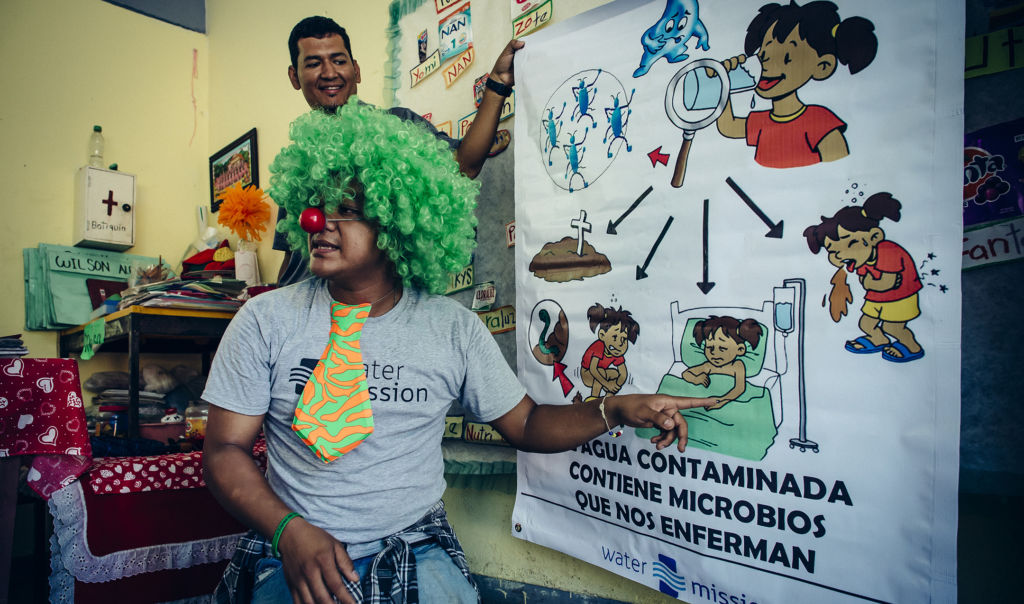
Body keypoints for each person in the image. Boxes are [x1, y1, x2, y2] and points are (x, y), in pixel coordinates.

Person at [203, 103, 718, 604]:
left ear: (397, 222)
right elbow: (224, 451)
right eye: (318, 204)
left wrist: (617, 408)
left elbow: (528, 424)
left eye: (349, 210)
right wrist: (289, 531)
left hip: (412, 546)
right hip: (289, 547)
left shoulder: (453, 328)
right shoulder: (264, 321)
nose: (318, 222)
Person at [274, 16, 521, 286]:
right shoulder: (297, 163)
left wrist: (497, 84)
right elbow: (292, 257)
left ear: (356, 70)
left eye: (339, 60)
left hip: (371, 305)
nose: (329, 72)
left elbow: (463, 166)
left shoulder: (398, 127)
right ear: (293, 76)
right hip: (299, 306)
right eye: (313, 63)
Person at [714, 1, 877, 168]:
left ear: (823, 66)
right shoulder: (761, 121)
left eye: (785, 57)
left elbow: (839, 160)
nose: (767, 66)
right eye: (763, 56)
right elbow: (729, 127)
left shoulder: (819, 120)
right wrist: (723, 82)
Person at [803, 192, 925, 363]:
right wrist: (870, 282)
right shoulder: (860, 261)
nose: (839, 255)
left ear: (874, 236)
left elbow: (886, 282)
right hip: (877, 298)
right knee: (866, 324)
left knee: (892, 327)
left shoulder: (888, 251)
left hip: (900, 297)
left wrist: (871, 282)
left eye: (850, 244)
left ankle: (912, 347)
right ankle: (878, 339)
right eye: (833, 251)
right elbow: (869, 282)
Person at [681, 315, 764, 409]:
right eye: (709, 347)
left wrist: (722, 401)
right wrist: (696, 379)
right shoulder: (708, 366)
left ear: (740, 349)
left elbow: (739, 389)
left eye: (722, 348)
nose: (714, 353)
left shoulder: (737, 366)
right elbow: (686, 374)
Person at [580, 304, 639, 401]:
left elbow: (623, 373)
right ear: (602, 335)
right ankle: (593, 399)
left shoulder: (616, 351)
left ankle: (608, 397)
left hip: (601, 371)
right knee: (601, 372)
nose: (620, 343)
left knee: (615, 374)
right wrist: (607, 384)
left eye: (623, 338)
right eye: (615, 337)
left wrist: (615, 385)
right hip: (587, 373)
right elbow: (593, 369)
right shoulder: (599, 346)